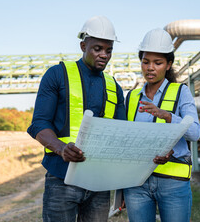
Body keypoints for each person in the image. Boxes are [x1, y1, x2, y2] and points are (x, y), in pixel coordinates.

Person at [27, 15, 126, 222]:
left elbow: (120, 134)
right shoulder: (57, 75)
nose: (104, 55)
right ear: (83, 46)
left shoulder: (113, 86)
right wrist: (61, 148)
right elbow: (39, 124)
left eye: (109, 50)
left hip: (99, 182)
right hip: (62, 178)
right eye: (97, 48)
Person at [123, 28, 200, 222]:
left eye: (157, 63)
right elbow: (124, 140)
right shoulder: (131, 97)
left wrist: (167, 116)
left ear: (168, 65)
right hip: (136, 183)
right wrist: (120, 188)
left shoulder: (181, 92)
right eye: (145, 62)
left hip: (173, 183)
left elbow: (195, 133)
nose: (150, 68)